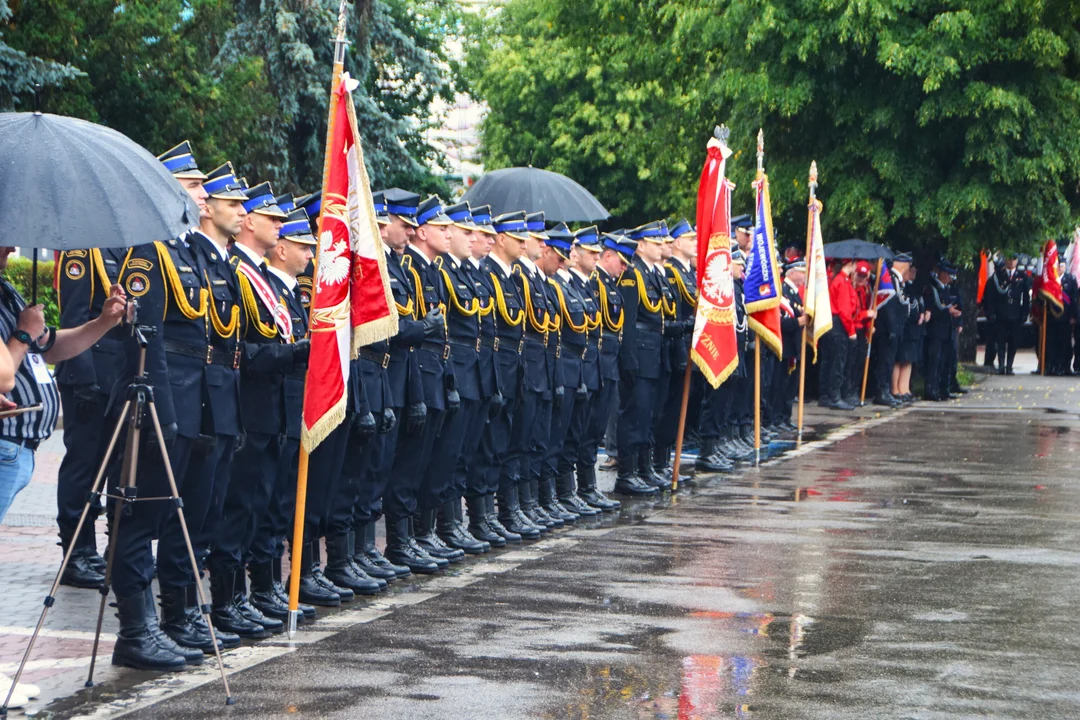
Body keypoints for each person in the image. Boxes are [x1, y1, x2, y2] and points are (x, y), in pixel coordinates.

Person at [0, 250, 117, 523]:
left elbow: (47, 348)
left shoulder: (5, 289)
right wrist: (23, 333)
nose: (12, 249)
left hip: (19, 446)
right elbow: (4, 377)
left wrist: (103, 323)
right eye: (4, 239)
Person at [250, 204, 318, 624]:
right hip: (266, 406)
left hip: (290, 405)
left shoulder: (290, 292)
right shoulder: (262, 286)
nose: (310, 254)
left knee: (279, 503)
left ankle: (271, 585)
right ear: (281, 251)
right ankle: (251, 591)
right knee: (257, 502)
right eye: (303, 245)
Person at [54, 241, 128, 588]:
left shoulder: (131, 250)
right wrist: (83, 378)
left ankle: (105, 551)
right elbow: (74, 314)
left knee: (113, 467)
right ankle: (77, 551)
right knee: (84, 468)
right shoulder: (84, 251)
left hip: (118, 377)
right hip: (90, 377)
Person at [614, 223, 667, 496]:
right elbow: (629, 321)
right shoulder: (632, 276)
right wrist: (629, 358)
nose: (661, 246)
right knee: (633, 414)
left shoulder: (652, 274)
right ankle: (627, 472)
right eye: (655, 242)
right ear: (641, 245)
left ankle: (644, 469)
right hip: (640, 354)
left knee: (647, 415)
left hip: (653, 354)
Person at [820, 258, 857, 410]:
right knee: (837, 361)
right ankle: (834, 396)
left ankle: (827, 395)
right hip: (839, 324)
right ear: (850, 264)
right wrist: (851, 331)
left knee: (831, 361)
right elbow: (845, 310)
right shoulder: (841, 281)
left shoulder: (843, 280)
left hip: (836, 323)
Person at [923, 259, 960, 400]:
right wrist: (948, 311)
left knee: (945, 361)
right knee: (935, 361)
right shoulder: (933, 289)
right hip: (936, 331)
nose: (950, 278)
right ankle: (931, 390)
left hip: (947, 330)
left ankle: (943, 388)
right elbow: (935, 308)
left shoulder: (946, 289)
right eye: (948, 274)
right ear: (942, 274)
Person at [989, 252, 1030, 375]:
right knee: (1001, 340)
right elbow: (992, 296)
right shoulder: (998, 275)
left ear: (1017, 261)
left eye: (1014, 260)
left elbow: (1026, 297)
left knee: (1013, 341)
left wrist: (1024, 313)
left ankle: (1009, 365)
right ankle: (1001, 365)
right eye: (1009, 259)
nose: (1011, 262)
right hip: (1002, 312)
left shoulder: (1022, 276)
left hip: (1015, 313)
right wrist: (991, 312)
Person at [777, 260, 807, 429]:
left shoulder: (794, 292)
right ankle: (778, 418)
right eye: (802, 272)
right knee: (781, 385)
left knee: (789, 385)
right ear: (793, 273)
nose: (804, 276)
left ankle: (785, 417)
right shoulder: (784, 291)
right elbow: (781, 321)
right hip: (785, 345)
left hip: (793, 345)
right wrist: (798, 321)